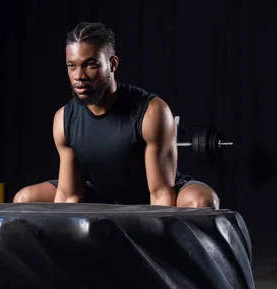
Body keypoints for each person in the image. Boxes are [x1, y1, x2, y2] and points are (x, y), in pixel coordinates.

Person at [13, 22, 220, 209]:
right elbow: (70, 195)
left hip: (149, 194)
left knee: (202, 201)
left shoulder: (152, 111)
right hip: (98, 195)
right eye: (71, 66)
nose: (79, 76)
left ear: (112, 64)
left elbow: (160, 194)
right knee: (25, 199)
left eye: (90, 64)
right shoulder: (64, 118)